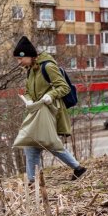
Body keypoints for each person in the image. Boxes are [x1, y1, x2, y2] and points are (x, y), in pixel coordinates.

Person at [13, 36, 86, 184]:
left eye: (20, 58)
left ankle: (34, 180)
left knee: (45, 141)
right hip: (38, 112)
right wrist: (28, 100)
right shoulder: (30, 71)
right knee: (34, 142)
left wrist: (50, 95)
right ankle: (34, 180)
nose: (19, 62)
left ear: (30, 55)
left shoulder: (48, 67)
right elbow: (28, 90)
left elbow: (64, 87)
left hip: (51, 111)